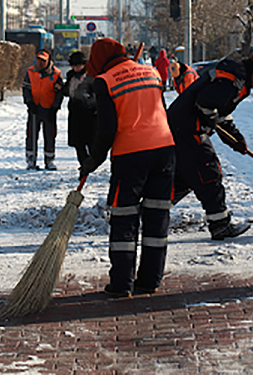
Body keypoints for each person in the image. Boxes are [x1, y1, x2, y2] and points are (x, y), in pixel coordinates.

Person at [79, 38, 176, 298]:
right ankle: (150, 279)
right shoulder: (152, 72)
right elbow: (161, 112)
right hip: (165, 150)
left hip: (131, 155)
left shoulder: (106, 81)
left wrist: (92, 161)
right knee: (157, 218)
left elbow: (106, 129)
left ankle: (122, 284)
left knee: (124, 218)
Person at [167, 50, 253, 240]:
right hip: (186, 128)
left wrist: (236, 139)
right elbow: (206, 105)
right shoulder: (232, 81)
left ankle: (149, 210)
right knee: (210, 172)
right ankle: (220, 225)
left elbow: (221, 112)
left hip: (180, 126)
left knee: (187, 178)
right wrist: (211, 121)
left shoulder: (236, 79)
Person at [22, 49, 64, 170]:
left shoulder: (56, 74)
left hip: (49, 109)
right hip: (34, 108)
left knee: (50, 135)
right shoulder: (30, 72)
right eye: (39, 60)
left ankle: (49, 160)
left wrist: (55, 108)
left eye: (43, 60)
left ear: (48, 61)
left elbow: (59, 93)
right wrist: (29, 103)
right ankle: (31, 160)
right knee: (31, 134)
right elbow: (26, 89)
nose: (40, 63)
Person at [60, 51, 97, 166]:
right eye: (74, 65)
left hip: (88, 113)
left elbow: (96, 93)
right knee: (77, 142)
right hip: (75, 111)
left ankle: (93, 161)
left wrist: (90, 99)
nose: (76, 68)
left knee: (91, 141)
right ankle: (83, 163)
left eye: (78, 65)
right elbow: (67, 91)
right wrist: (62, 88)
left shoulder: (90, 76)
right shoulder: (71, 75)